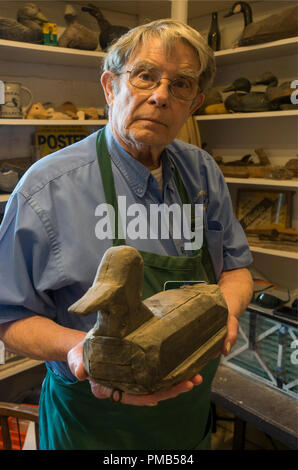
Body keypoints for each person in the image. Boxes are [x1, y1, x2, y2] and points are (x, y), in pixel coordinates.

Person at [0, 19, 253, 450]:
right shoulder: (47, 188)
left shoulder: (202, 173)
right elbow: (9, 316)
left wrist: (222, 315)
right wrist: (80, 349)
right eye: (145, 76)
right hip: (91, 423)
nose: (160, 96)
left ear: (194, 103)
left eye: (181, 85)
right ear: (110, 86)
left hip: (185, 419)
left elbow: (237, 269)